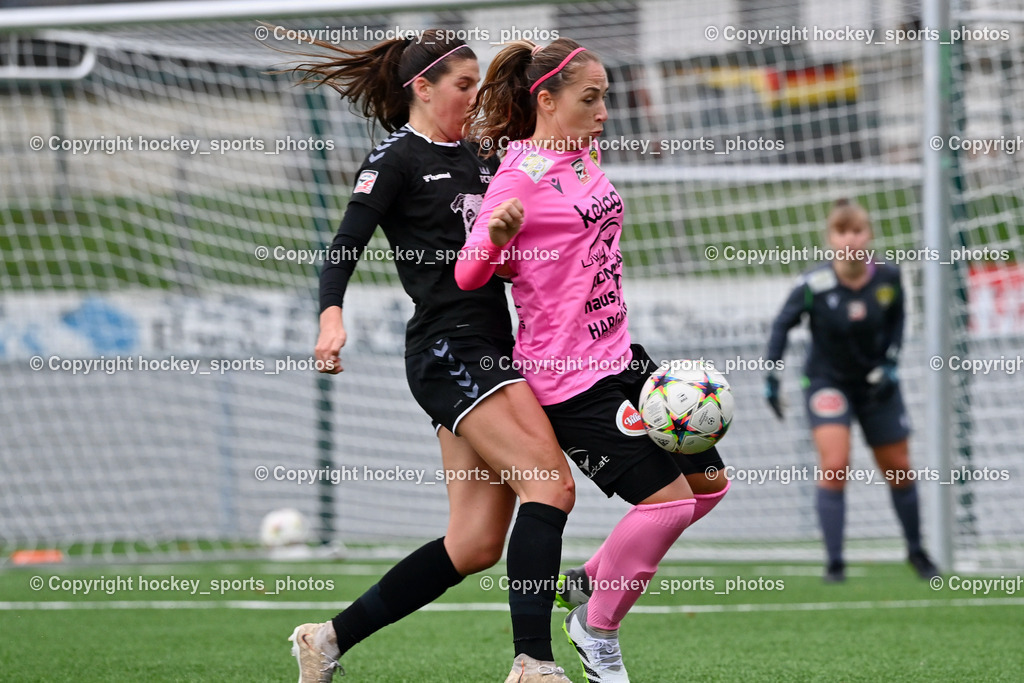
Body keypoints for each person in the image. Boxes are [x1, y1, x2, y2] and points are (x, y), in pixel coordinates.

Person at [277, 30, 577, 683]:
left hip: (493, 345)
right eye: (462, 86)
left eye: (476, 84)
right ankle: (533, 662)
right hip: (449, 349)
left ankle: (326, 638)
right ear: (423, 87)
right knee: (550, 483)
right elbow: (343, 244)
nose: (472, 98)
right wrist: (331, 315)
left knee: (471, 544)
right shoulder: (394, 159)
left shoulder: (477, 155)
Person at [456, 39, 730, 683]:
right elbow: (471, 272)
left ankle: (587, 583)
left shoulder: (583, 151)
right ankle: (595, 630)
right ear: (546, 100)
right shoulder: (518, 177)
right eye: (591, 97)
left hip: (624, 358)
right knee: (665, 505)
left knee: (709, 489)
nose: (605, 109)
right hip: (569, 380)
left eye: (605, 95)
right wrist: (495, 239)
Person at [764, 198, 940, 583]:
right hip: (827, 382)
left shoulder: (889, 278)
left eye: (857, 231)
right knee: (835, 463)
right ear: (830, 239)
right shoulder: (813, 284)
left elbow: (897, 321)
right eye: (842, 232)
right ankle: (835, 563)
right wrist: (771, 377)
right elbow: (781, 326)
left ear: (869, 234)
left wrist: (891, 363)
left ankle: (916, 550)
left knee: (898, 467)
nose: (850, 239)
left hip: (877, 384)